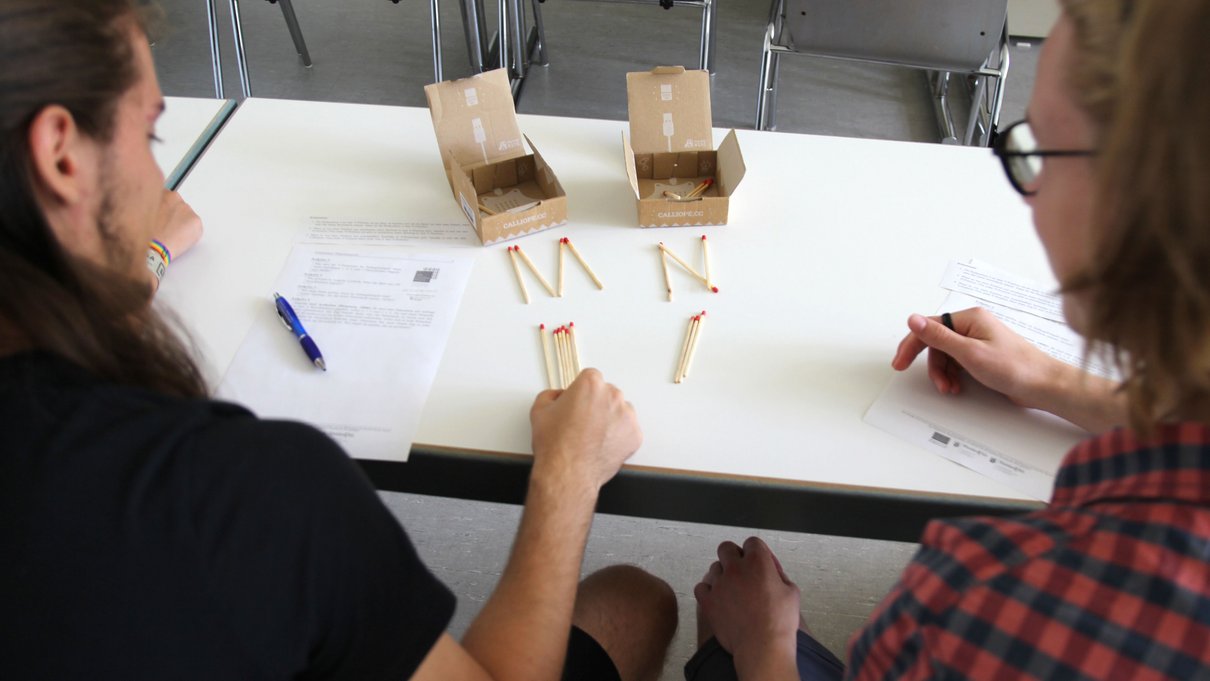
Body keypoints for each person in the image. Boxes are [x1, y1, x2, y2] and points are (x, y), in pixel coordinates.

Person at [0, 2, 677, 680]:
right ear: (61, 154)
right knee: (637, 602)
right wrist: (568, 473)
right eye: (150, 136)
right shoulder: (248, 495)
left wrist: (137, 261)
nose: (159, 181)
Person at [688, 0, 1210, 679]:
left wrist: (764, 641)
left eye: (1037, 151)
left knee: (721, 625)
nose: (1027, 195)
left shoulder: (979, 600)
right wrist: (1048, 381)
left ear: (1133, 202)